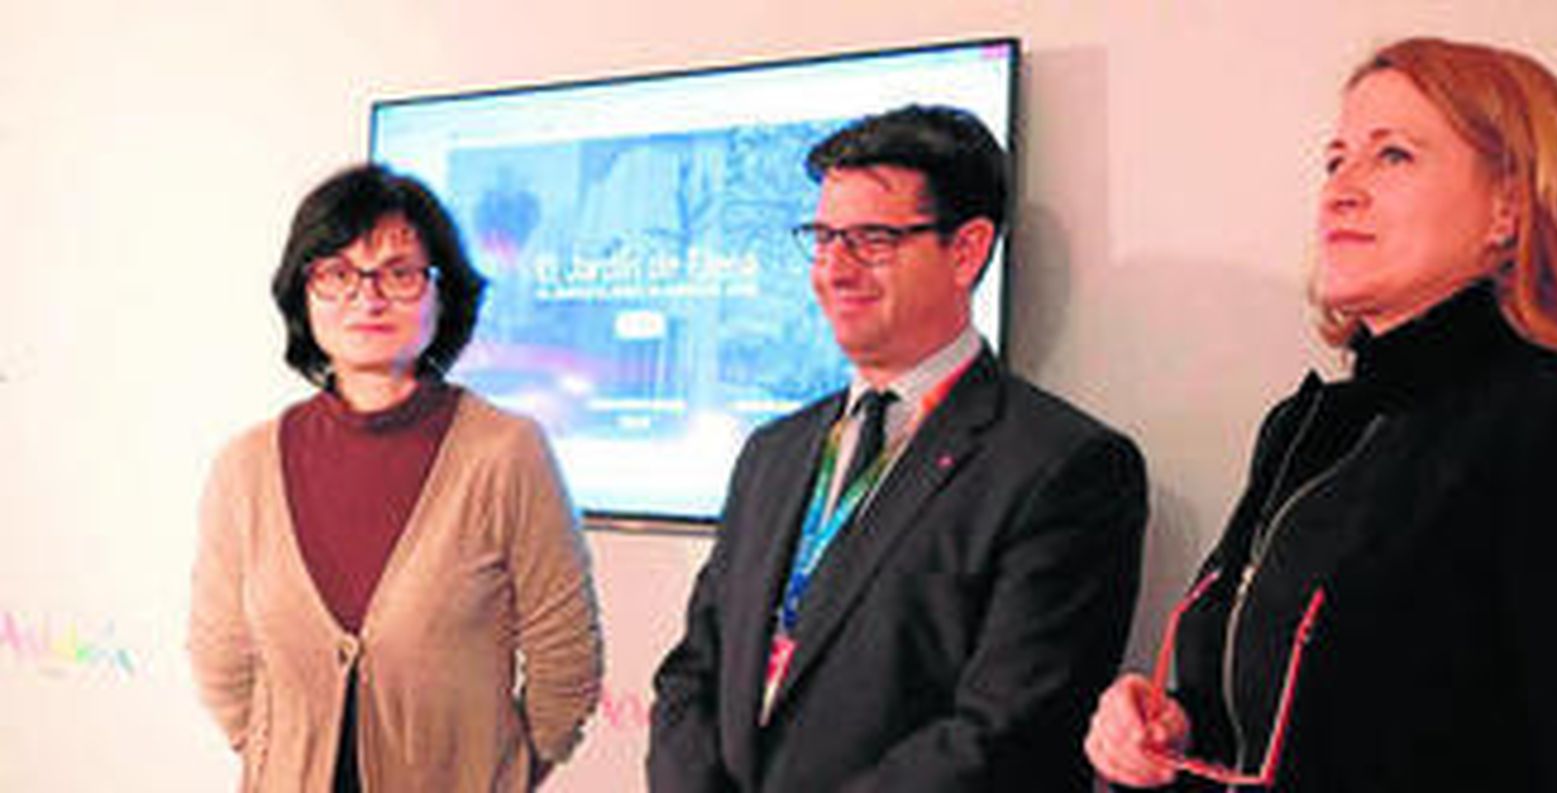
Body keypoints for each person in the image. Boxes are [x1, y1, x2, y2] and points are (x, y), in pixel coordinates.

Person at [1084, 36, 1557, 792]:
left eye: (1393, 156)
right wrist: (1172, 726)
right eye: (1335, 161)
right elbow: (1271, 717)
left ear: (1509, 207)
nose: (1340, 192)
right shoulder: (1304, 428)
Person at [648, 104, 1149, 792]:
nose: (835, 269)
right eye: (824, 238)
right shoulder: (772, 452)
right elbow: (693, 672)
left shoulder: (1064, 466)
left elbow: (1007, 733)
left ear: (966, 250)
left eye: (872, 240)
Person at [187, 164, 603, 792]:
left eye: (400, 273)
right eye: (337, 273)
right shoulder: (246, 466)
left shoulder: (506, 453)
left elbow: (565, 661)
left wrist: (498, 774)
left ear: (443, 293)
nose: (367, 297)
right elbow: (221, 657)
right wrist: (283, 757)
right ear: (303, 293)